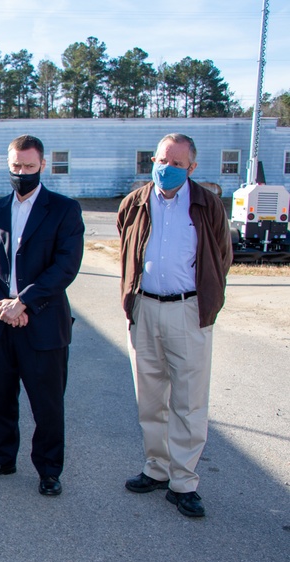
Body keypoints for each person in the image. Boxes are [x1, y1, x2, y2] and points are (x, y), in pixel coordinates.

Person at [117, 133, 232, 518]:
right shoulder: (135, 202)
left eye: (177, 164)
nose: (166, 169)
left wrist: (209, 300)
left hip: (188, 310)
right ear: (154, 160)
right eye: (162, 160)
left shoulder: (207, 205)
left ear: (191, 168)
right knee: (150, 397)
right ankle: (156, 468)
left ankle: (183, 481)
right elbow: (126, 245)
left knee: (188, 399)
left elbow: (222, 255)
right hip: (145, 308)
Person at [0, 135, 85, 496]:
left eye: (29, 167)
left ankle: (49, 470)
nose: (22, 173)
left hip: (43, 323)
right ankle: (1, 458)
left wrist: (25, 302)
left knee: (47, 404)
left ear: (43, 166)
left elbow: (65, 266)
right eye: (16, 167)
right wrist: (0, 304)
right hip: (0, 324)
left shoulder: (65, 210)